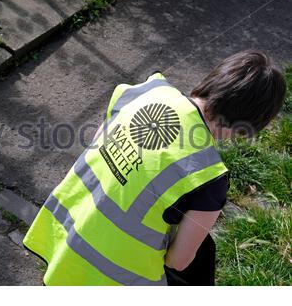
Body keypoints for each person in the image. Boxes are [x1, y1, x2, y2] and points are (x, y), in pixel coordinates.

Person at [23, 50, 287, 285]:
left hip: (63, 236)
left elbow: (98, 147)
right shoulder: (210, 177)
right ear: (250, 123)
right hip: (112, 278)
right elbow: (178, 262)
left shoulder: (147, 90)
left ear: (216, 78)